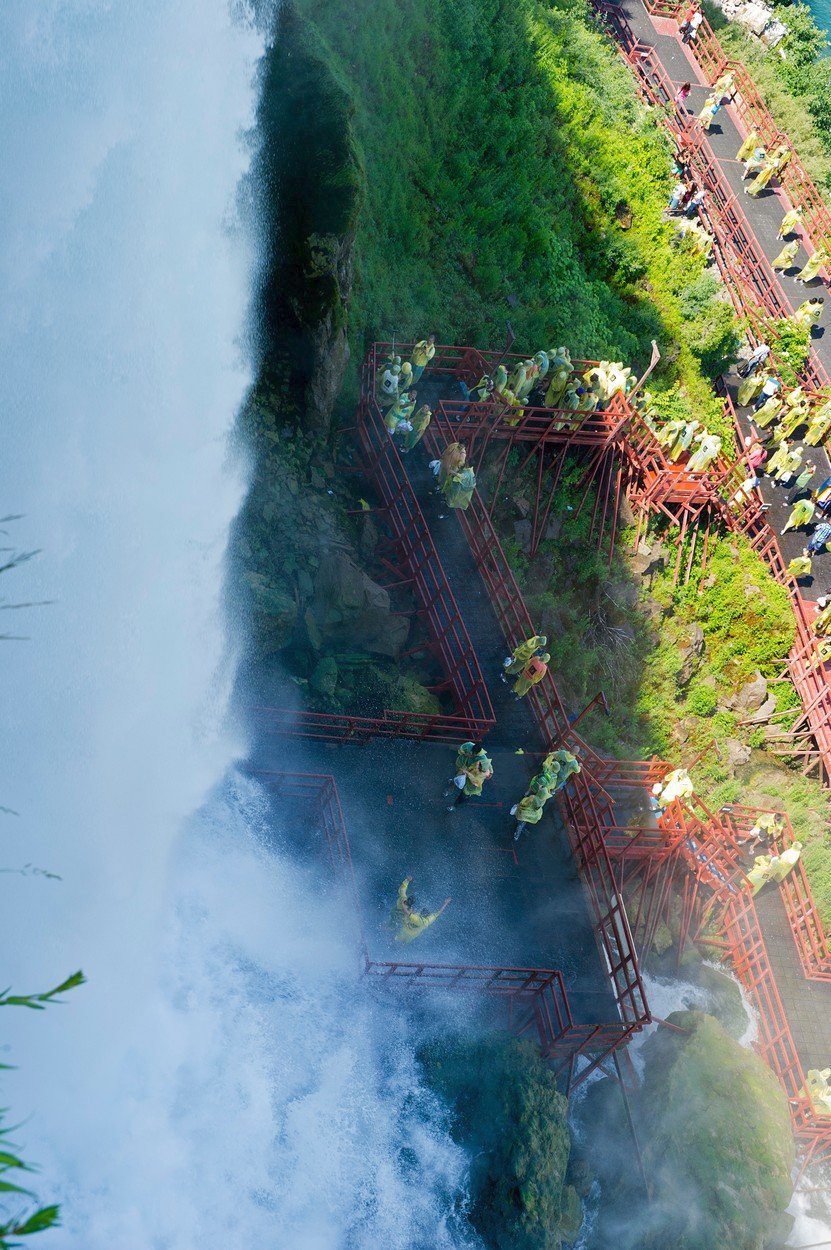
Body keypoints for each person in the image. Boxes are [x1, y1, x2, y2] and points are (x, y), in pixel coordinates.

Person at [392, 876, 450, 943]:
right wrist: (445, 903)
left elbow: (402, 890)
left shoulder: (414, 916)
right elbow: (438, 913)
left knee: (394, 935)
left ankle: (389, 942)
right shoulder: (427, 921)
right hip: (412, 935)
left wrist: (407, 880)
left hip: (400, 923)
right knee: (403, 943)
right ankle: (396, 949)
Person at [446, 741, 493, 810]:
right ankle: (451, 788)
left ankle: (455, 805)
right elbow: (460, 750)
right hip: (463, 767)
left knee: (463, 795)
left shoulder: (482, 760)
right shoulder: (468, 745)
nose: (473, 755)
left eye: (475, 755)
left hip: (470, 781)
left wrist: (490, 773)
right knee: (457, 778)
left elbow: (475, 780)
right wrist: (465, 754)